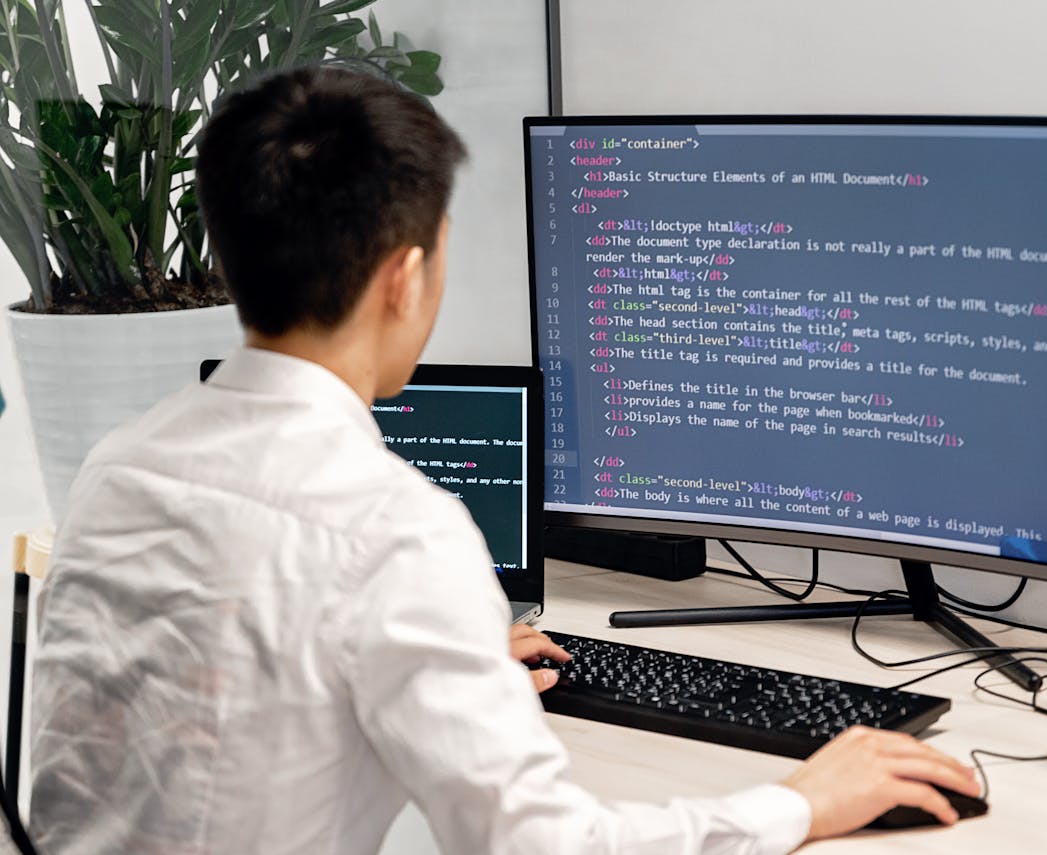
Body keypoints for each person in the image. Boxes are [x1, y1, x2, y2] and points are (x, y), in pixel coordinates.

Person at [28, 65, 979, 855]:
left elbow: (205, 722)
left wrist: (434, 660)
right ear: (406, 277)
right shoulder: (396, 534)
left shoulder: (118, 468)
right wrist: (801, 802)